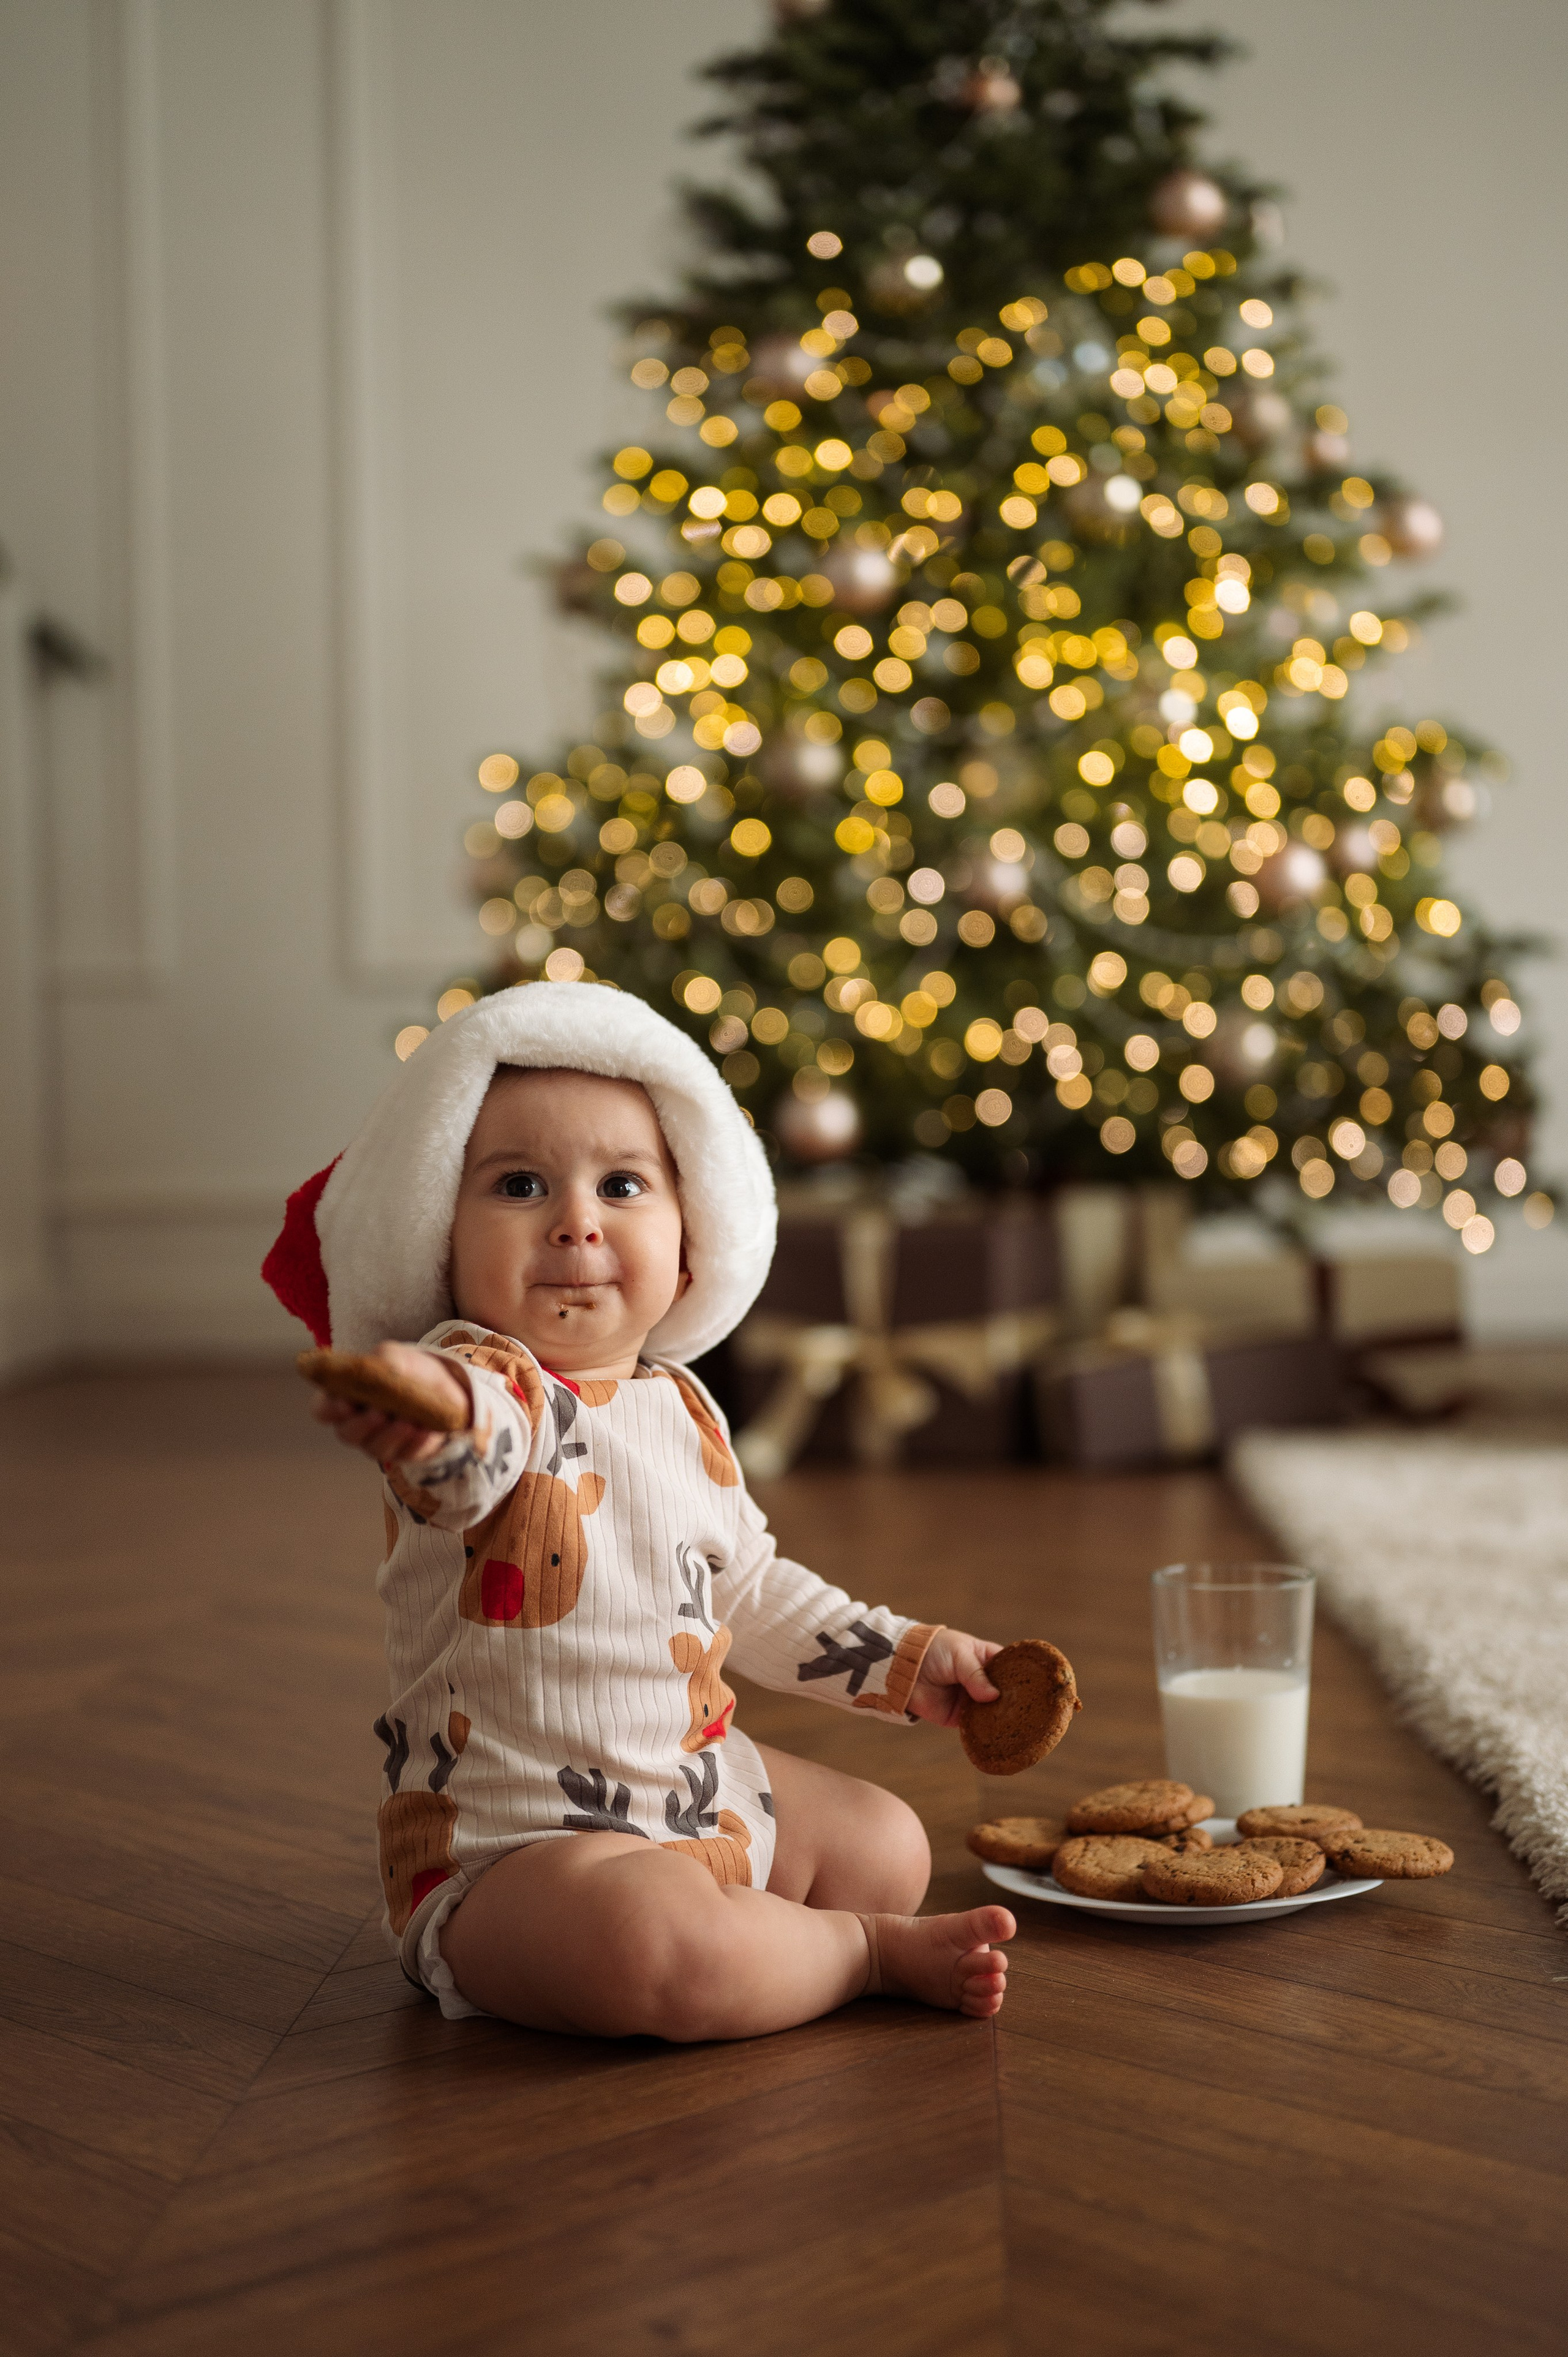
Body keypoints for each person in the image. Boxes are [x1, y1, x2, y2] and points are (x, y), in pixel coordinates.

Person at [264, 981, 1016, 2040]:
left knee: (888, 1843)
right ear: (442, 1235)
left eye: (622, 1185)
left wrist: (905, 1659)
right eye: (520, 1185)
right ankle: (856, 1954)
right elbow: (476, 1454)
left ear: (688, 1238)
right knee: (650, 1947)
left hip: (694, 1794)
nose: (576, 1222)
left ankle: (765, 1928)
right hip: (523, 1855)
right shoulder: (486, 1375)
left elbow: (749, 1592)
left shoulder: (685, 1409)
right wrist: (428, 1422)